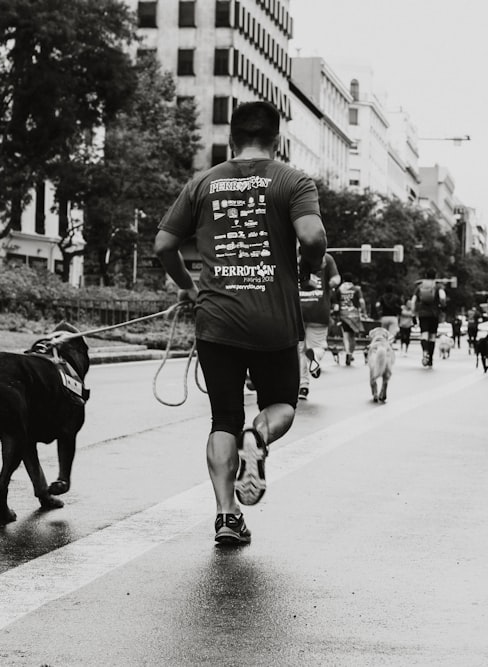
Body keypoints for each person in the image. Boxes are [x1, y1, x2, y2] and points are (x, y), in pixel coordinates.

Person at [154, 101, 326, 546]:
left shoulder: (204, 183)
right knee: (282, 404)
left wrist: (190, 289)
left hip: (218, 319)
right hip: (274, 320)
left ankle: (226, 516)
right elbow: (311, 237)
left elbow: (163, 244)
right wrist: (308, 267)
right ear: (279, 140)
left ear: (231, 140)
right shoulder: (292, 180)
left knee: (222, 418)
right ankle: (260, 433)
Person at [298, 252, 340, 399]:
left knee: (300, 351)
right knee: (318, 345)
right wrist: (333, 283)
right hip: (319, 310)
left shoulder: (290, 255)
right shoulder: (325, 258)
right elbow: (336, 278)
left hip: (297, 311)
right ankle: (314, 356)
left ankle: (303, 386)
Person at [411, 270, 446, 368]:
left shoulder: (420, 287)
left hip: (422, 314)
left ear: (425, 276)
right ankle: (430, 358)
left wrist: (413, 314)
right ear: (435, 276)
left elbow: (413, 301)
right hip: (434, 314)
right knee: (432, 337)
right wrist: (442, 307)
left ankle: (425, 351)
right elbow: (443, 297)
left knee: (424, 335)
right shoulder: (438, 286)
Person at [334, 273, 366, 365]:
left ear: (343, 280)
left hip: (343, 315)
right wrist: (364, 312)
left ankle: (347, 352)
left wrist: (336, 315)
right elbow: (361, 301)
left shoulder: (339, 289)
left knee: (346, 335)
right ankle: (351, 354)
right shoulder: (357, 289)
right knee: (352, 336)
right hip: (354, 315)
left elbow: (336, 305)